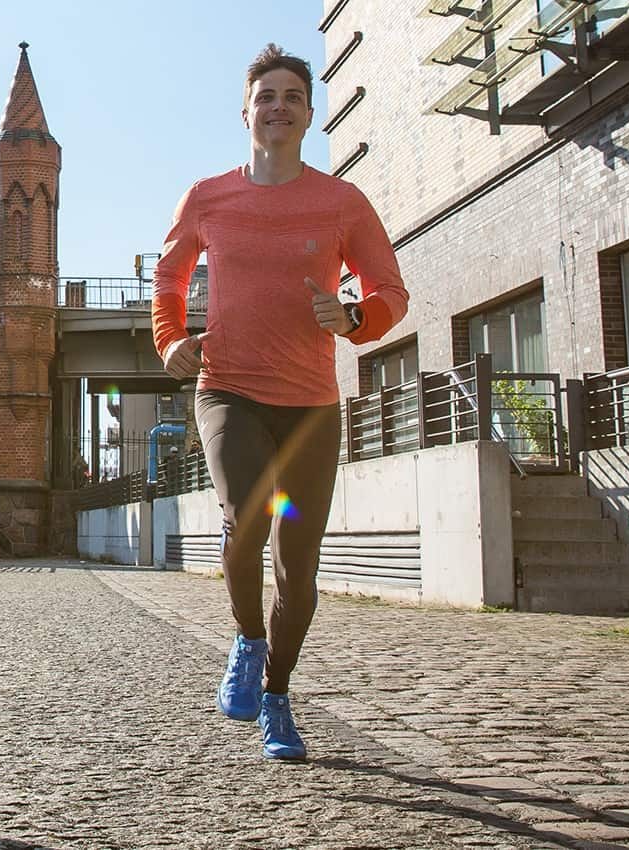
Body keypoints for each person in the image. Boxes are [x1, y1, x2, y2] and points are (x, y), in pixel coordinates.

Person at [151, 43, 409, 762]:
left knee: (299, 562)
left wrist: (355, 317)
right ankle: (248, 638)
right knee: (249, 514)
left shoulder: (341, 202)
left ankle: (276, 695)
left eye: (293, 96)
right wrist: (169, 339)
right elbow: (169, 281)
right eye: (267, 96)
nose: (279, 107)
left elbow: (390, 290)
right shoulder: (208, 197)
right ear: (247, 113)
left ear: (307, 115)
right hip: (228, 388)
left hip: (311, 407)